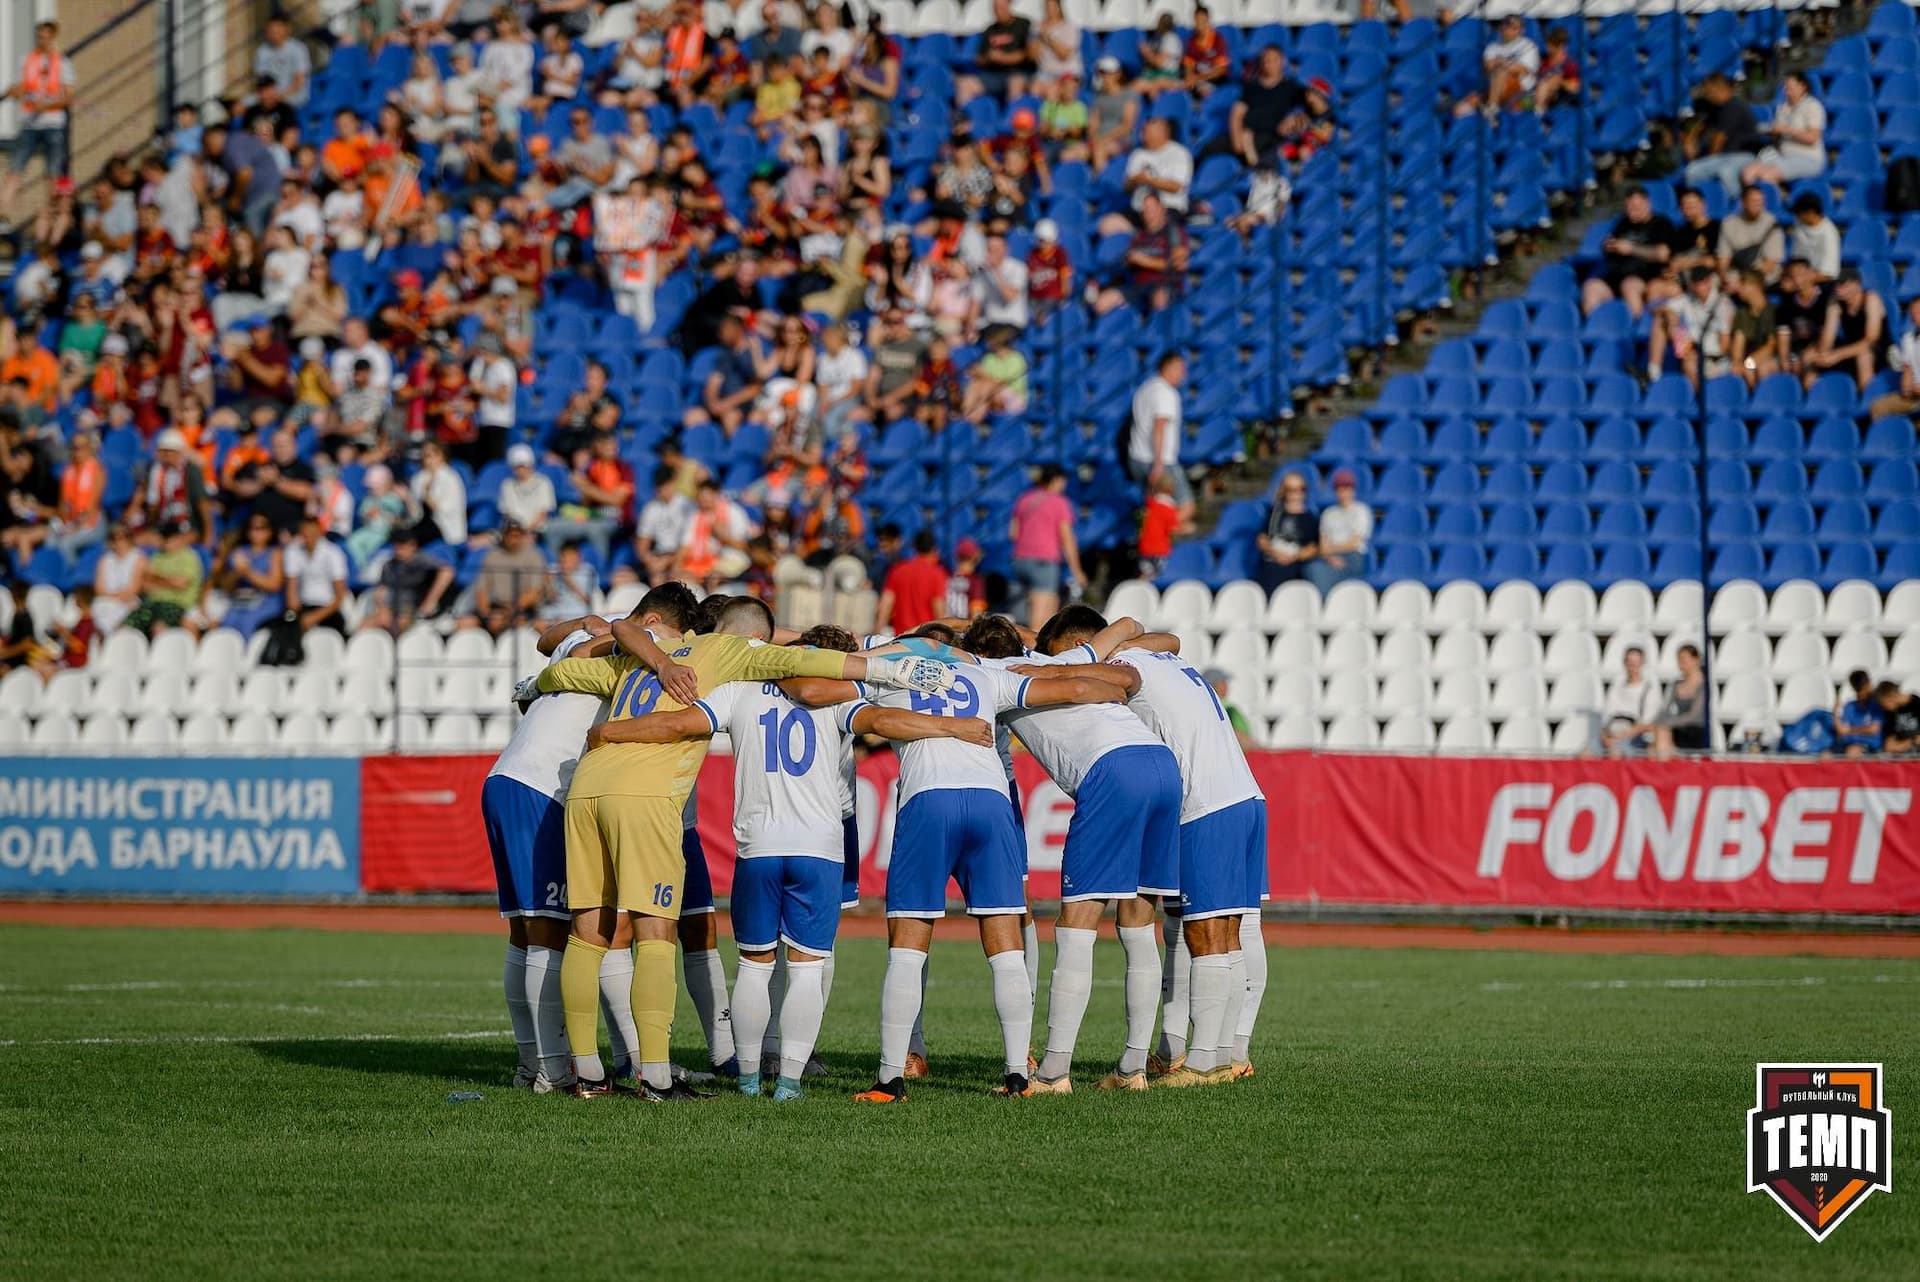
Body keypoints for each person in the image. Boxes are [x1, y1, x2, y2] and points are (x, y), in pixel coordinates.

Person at [520, 585, 954, 1098]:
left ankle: (587, 1073)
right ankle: (658, 1076)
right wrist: (888, 670)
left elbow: (558, 671)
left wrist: (547, 691)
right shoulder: (732, 654)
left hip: (587, 790)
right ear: (751, 637)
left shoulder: (635, 664)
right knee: (658, 934)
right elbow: (812, 666)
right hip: (658, 799)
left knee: (587, 932)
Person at [1033, 606, 1269, 1085]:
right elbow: (1173, 639)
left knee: (1203, 933)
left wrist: (1057, 666)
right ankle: (1223, 1055)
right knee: (1227, 931)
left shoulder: (1125, 667)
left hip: (1204, 803)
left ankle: (1202, 1062)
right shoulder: (1164, 658)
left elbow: (1086, 675)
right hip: (1246, 795)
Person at [963, 613, 1180, 1094]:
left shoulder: (991, 675)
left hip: (1111, 769)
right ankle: (1132, 1069)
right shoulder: (1058, 658)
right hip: (1161, 763)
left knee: (1076, 928)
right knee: (1138, 924)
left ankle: (1054, 1072)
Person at [0, 22, 75, 224]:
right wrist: (13, 92)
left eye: (44, 36)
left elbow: (68, 97)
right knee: (15, 167)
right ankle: (3, 214)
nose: (41, 40)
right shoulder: (27, 60)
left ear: (53, 37)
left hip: (53, 123)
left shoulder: (62, 62)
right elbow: (23, 87)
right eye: (38, 36)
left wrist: (48, 106)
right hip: (30, 123)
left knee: (52, 173)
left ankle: (51, 215)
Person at [1581, 185, 1672, 319]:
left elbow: (1663, 254)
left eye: (1636, 207)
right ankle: (1597, 328)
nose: (1631, 212)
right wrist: (1609, 246)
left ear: (1647, 204)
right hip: (1614, 277)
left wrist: (1631, 249)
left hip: (1643, 278)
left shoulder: (1661, 224)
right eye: (1628, 208)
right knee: (1591, 287)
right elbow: (1612, 243)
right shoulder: (1623, 223)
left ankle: (1632, 329)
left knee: (1629, 286)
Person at [1647, 267, 1731, 390]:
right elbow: (1655, 309)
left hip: (1714, 357)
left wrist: (1704, 356)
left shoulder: (1722, 304)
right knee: (1661, 320)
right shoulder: (1688, 299)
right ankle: (1653, 373)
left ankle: (1700, 399)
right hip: (1691, 350)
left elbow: (1725, 344)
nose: (1698, 287)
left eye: (1701, 282)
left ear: (1709, 282)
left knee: (1690, 364)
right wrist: (1670, 315)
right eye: (1695, 283)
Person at [1128, 351, 1190, 518]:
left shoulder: (1145, 388)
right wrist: (1158, 463)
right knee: (1186, 505)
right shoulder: (1166, 393)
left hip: (1137, 457)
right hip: (1159, 460)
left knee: (1154, 505)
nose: (1183, 375)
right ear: (1167, 368)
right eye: (1179, 369)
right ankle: (1158, 536)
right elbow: (1159, 426)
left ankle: (1151, 536)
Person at [1741, 72, 1827, 192]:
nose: (1786, 90)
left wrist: (1788, 130)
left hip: (1808, 158)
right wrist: (1773, 132)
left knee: (1767, 175)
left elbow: (1812, 138)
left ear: (1802, 86)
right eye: (1785, 87)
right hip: (1782, 156)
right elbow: (1778, 137)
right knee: (1748, 172)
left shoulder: (1812, 106)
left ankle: (1769, 206)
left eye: (1790, 87)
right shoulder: (1782, 108)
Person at [1805, 269, 1887, 392]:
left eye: (1843, 284)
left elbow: (1871, 340)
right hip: (1850, 347)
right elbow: (1828, 336)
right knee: (1810, 355)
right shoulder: (1835, 302)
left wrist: (1837, 355)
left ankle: (1867, 400)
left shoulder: (1871, 299)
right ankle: (1813, 398)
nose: (1838, 289)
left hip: (1878, 350)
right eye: (1836, 285)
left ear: (1857, 284)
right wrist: (1823, 354)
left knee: (1864, 356)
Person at [1683, 74, 1765, 198]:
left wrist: (1707, 158)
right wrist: (1690, 142)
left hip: (1745, 155)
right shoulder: (1715, 109)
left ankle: (1737, 204)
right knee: (1692, 171)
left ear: (1717, 89)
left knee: (1726, 172)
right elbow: (1699, 127)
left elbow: (1719, 138)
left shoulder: (1735, 106)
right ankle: (1697, 204)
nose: (1706, 95)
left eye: (1708, 91)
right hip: (1724, 157)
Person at [362, 526, 454, 633]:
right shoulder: (390, 564)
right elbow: (381, 590)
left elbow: (447, 572)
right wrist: (382, 609)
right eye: (396, 546)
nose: (398, 550)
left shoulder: (421, 560)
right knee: (367, 624)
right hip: (392, 607)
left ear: (412, 545)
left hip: (414, 609)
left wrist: (430, 600)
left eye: (401, 546)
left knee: (401, 622)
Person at [123, 521, 205, 637]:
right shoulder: (158, 556)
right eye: (163, 536)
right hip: (152, 603)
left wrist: (157, 577)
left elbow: (181, 584)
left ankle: (161, 655)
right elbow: (146, 585)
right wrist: (168, 581)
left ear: (178, 538)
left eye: (169, 537)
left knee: (159, 628)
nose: (165, 540)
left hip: (177, 605)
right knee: (125, 627)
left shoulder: (189, 556)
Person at [219, 514, 287, 639]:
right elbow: (226, 586)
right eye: (252, 528)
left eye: (261, 528)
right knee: (226, 626)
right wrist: (236, 573)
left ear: (270, 531)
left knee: (248, 624)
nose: (256, 532)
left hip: (266, 603)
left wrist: (248, 572)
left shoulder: (275, 553)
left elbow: (274, 585)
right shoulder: (240, 552)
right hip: (240, 603)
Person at [283, 513, 349, 635]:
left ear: (319, 532)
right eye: (305, 533)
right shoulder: (293, 550)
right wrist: (294, 614)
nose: (308, 538)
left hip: (327, 609)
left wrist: (314, 617)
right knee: (284, 629)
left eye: (312, 533)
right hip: (303, 606)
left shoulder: (333, 553)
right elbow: (291, 589)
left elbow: (340, 596)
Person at [875, 530, 948, 635]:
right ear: (934, 549)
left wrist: (877, 632)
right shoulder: (937, 573)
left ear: (915, 547)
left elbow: (885, 605)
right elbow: (938, 609)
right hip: (925, 639)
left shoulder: (897, 570)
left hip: (901, 638)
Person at [1643, 643, 1708, 758]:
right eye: (1679, 660)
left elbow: (1695, 716)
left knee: (1661, 734)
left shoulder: (1704, 685)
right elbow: (1665, 709)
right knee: (1653, 744)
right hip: (1678, 729)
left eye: (1684, 660)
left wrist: (1667, 723)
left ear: (1696, 660)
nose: (1681, 665)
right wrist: (1655, 723)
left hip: (1694, 730)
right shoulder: (1677, 684)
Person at [1310, 469, 1371, 592]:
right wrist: (1329, 556)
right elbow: (1323, 544)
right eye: (1340, 488)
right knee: (1312, 568)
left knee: (1323, 574)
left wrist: (1330, 550)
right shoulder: (1328, 513)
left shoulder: (1361, 511)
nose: (1344, 492)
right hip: (1330, 556)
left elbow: (1354, 543)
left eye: (1347, 487)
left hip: (1353, 556)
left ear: (1353, 489)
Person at [1255, 473, 1318, 591]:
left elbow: (1313, 547)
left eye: (1300, 489)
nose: (1296, 494)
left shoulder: (1310, 518)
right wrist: (1276, 553)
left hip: (1295, 565)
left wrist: (1293, 557)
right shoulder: (1274, 514)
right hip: (1272, 561)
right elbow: (1262, 539)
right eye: (1291, 490)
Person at [1599, 645, 1662, 755]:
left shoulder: (1650, 689)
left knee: (1615, 752)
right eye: (1630, 662)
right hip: (1613, 732)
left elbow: (1647, 724)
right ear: (1624, 663)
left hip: (1636, 737)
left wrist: (1619, 737)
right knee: (1586, 753)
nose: (1633, 666)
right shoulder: (1616, 687)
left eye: (1636, 663)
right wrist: (1605, 736)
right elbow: (1606, 717)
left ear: (1642, 663)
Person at [1869, 294, 1920, 423]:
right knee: (1878, 407)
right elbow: (1907, 369)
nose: (1915, 317)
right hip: (1914, 396)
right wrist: (1906, 385)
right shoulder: (1908, 339)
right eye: (1913, 313)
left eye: (1918, 312)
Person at [91, 524, 145, 633]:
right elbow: (99, 589)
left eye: (123, 537)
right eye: (115, 538)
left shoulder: (139, 558)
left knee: (124, 610)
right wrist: (115, 597)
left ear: (130, 538)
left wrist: (115, 596)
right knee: (97, 606)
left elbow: (134, 590)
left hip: (129, 601)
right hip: (108, 600)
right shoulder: (105, 560)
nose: (119, 542)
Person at [1787, 191, 1840, 283]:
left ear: (1810, 213)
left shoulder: (1829, 234)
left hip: (1821, 283)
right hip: (1799, 278)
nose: (1797, 217)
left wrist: (1800, 282)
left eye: (1799, 213)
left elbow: (1827, 274)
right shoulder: (1798, 225)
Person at [1834, 670, 1884, 756]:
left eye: (1864, 688)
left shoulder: (1877, 704)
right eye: (1859, 689)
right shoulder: (1850, 706)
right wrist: (1835, 713)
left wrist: (1849, 730)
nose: (1862, 692)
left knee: (1852, 751)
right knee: (1825, 754)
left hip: (1869, 745)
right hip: (1847, 744)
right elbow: (1841, 730)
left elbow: (1874, 729)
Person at [1876, 681, 1920, 754]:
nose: (1884, 708)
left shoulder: (1916, 703)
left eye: (1884, 704)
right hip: (1903, 757)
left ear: (1891, 696)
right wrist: (1912, 741)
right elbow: (1889, 746)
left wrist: (1901, 745)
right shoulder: (1890, 714)